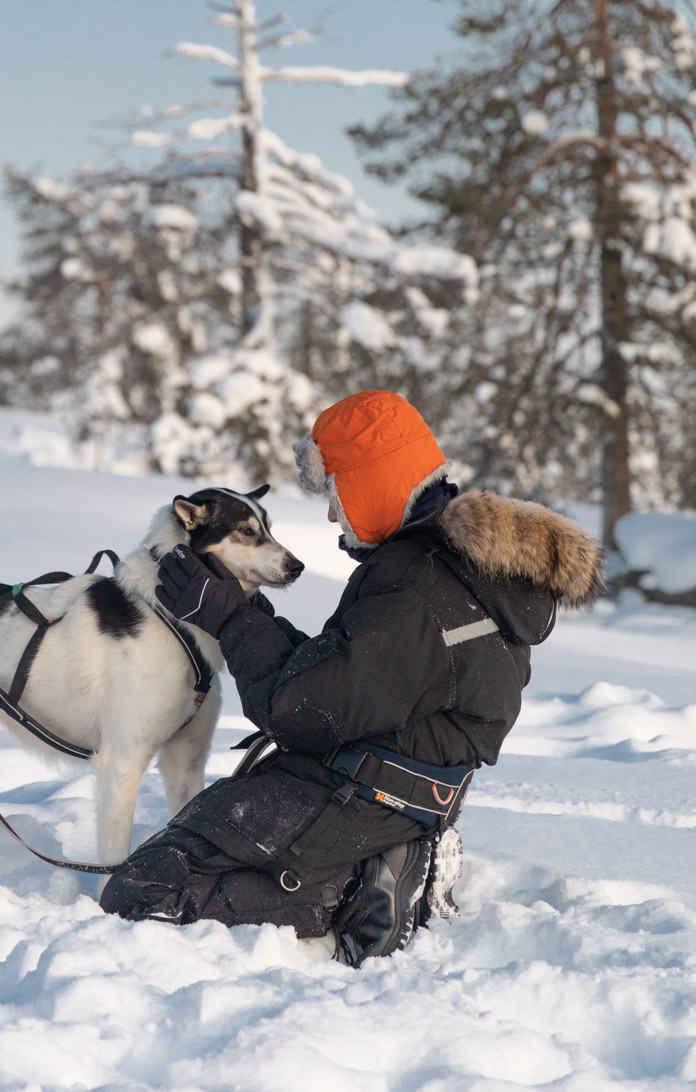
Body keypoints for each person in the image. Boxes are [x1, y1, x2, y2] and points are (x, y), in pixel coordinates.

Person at [100, 390, 603, 963]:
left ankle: (364, 892)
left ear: (371, 482)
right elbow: (347, 678)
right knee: (196, 833)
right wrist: (248, 613)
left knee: (143, 889)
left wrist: (231, 620)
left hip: (356, 795)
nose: (334, 515)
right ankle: (387, 856)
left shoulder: (415, 584)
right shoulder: (455, 567)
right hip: (391, 783)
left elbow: (301, 711)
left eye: (337, 493)